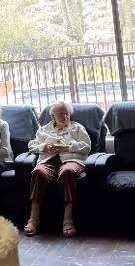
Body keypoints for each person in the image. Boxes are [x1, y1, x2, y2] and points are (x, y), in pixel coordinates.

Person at [24, 100, 92, 238]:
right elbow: (31, 146)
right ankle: (34, 219)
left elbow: (86, 146)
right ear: (53, 115)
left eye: (67, 114)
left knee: (67, 172)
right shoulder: (44, 130)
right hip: (48, 160)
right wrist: (45, 147)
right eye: (61, 113)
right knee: (38, 172)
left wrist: (66, 147)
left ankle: (68, 220)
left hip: (71, 160)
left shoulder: (77, 128)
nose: (65, 116)